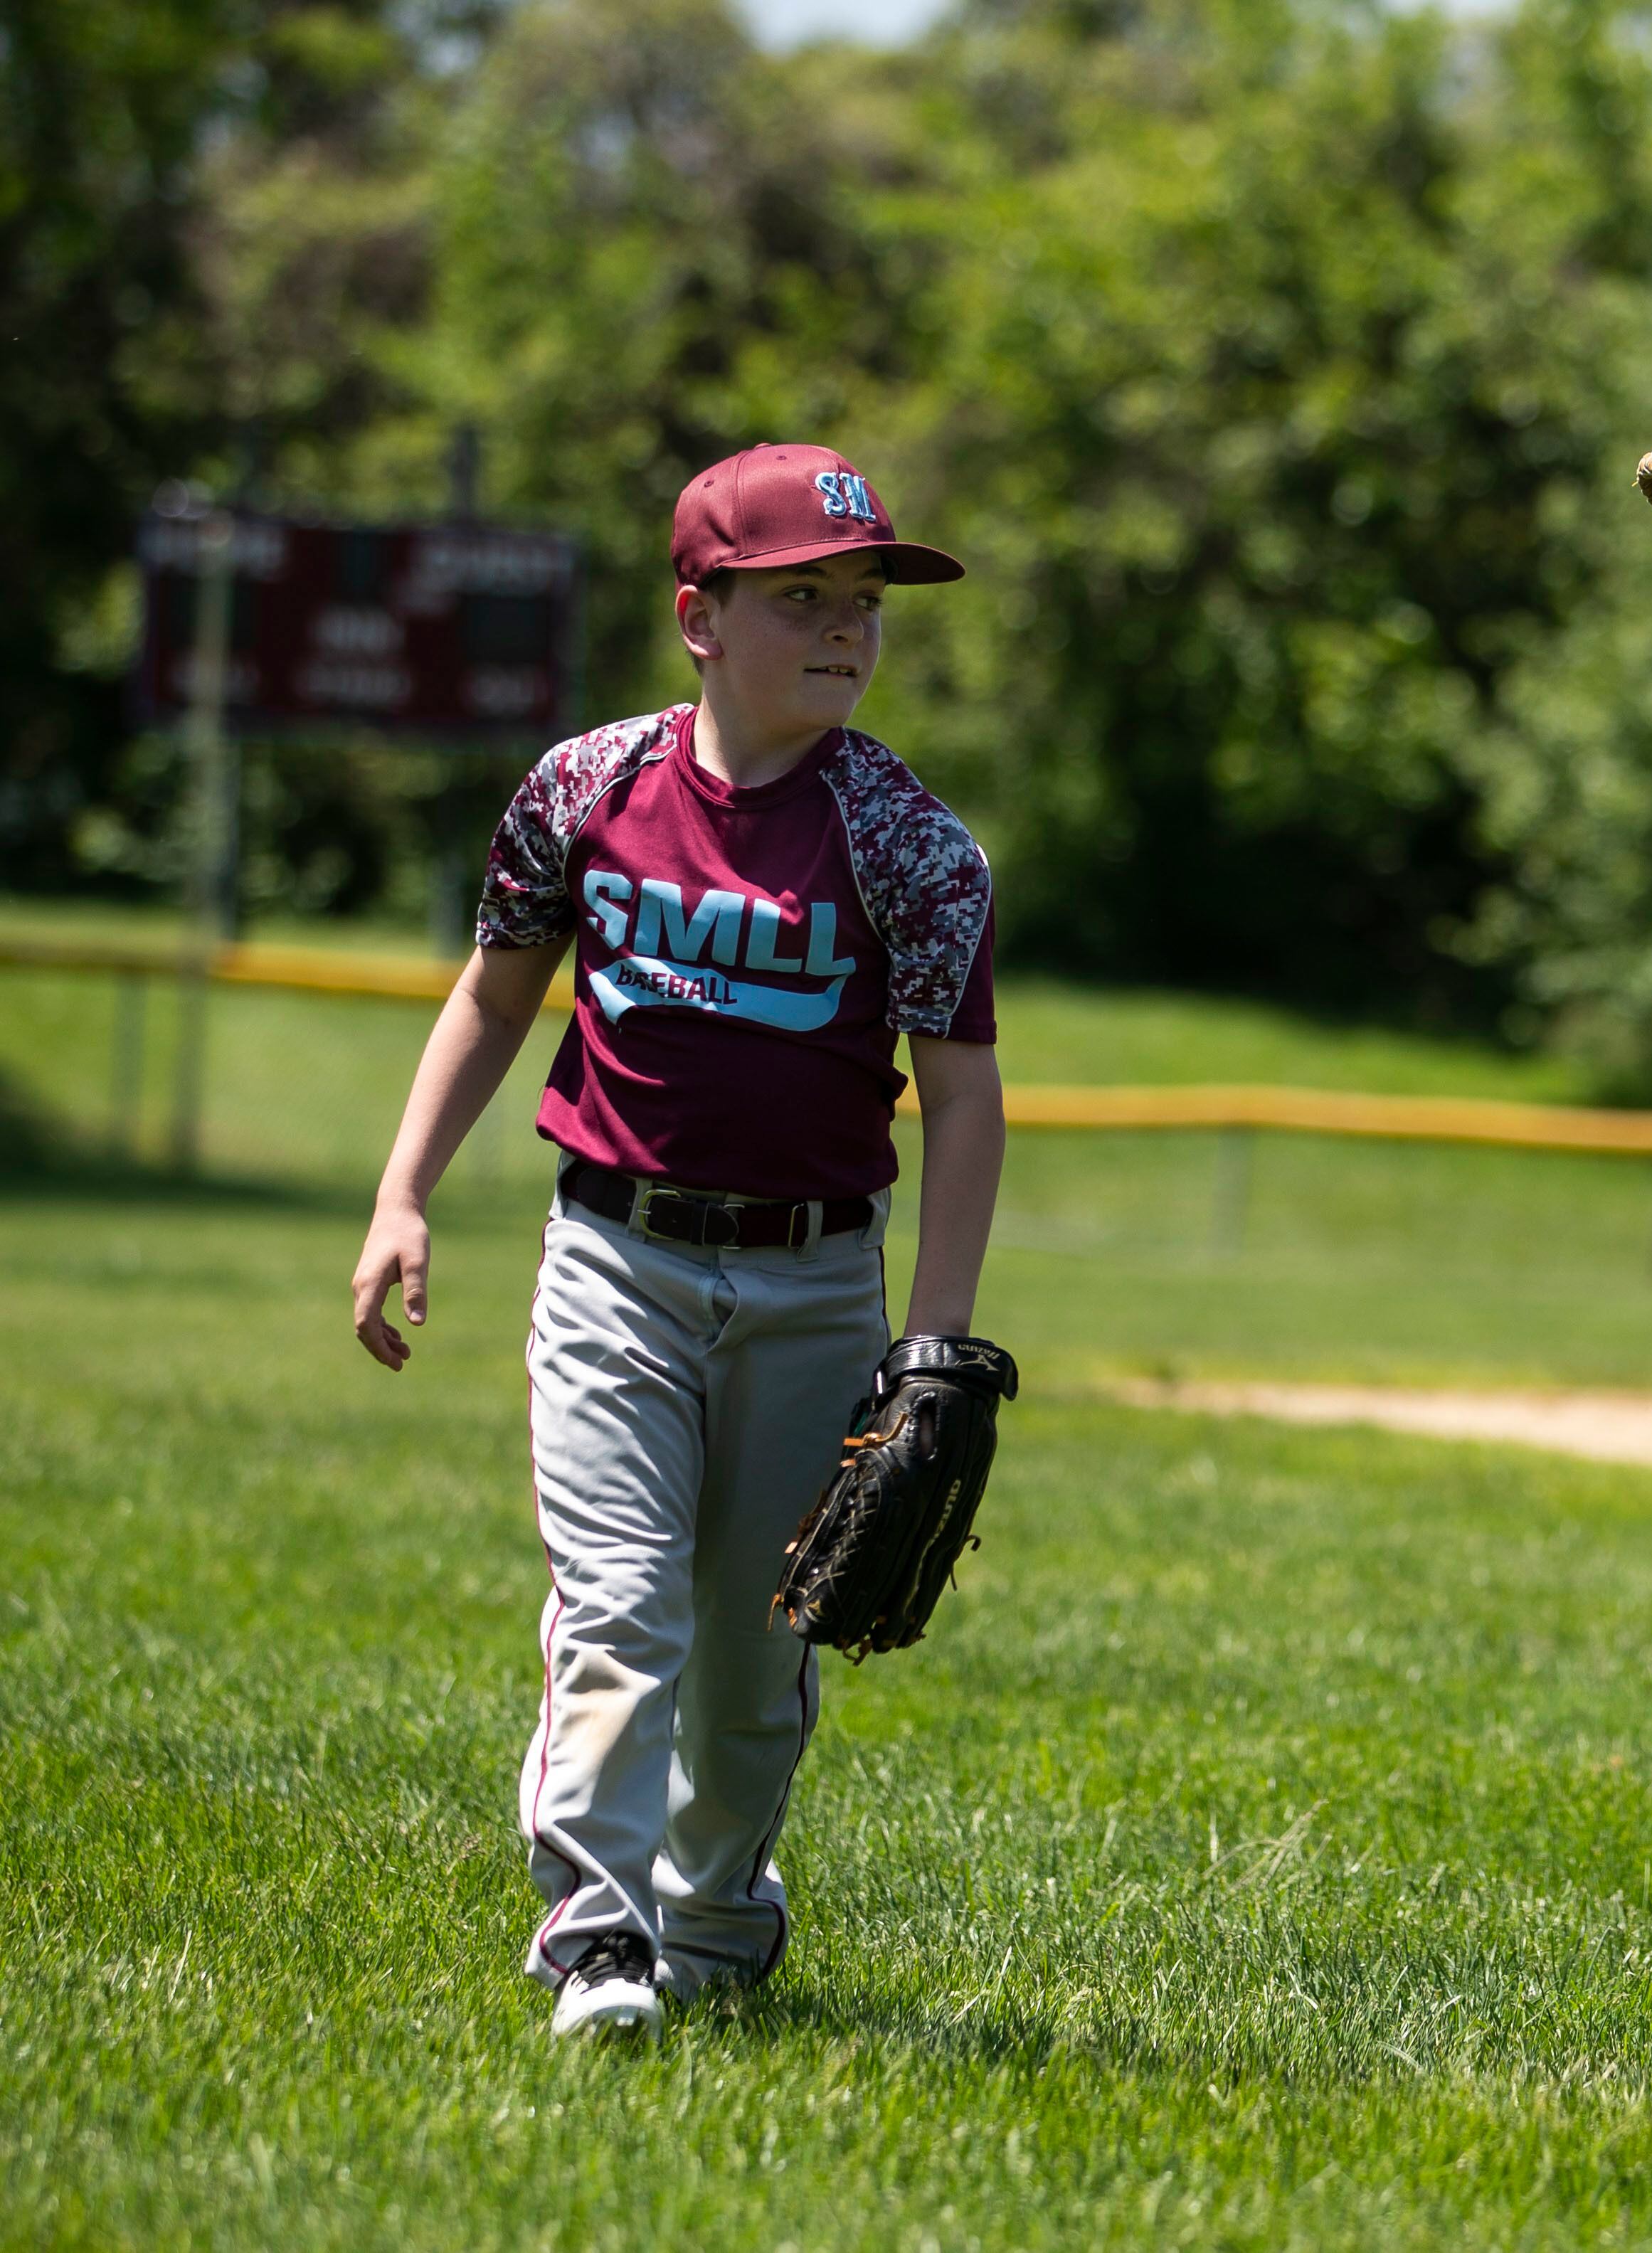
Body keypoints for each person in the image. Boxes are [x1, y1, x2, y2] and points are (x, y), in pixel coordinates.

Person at [348, 444, 1007, 2038]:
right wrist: (402, 1191)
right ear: (699, 616)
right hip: (614, 1264)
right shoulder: (586, 789)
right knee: (619, 1605)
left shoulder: (910, 844)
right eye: (802, 599)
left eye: (862, 603)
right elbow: (498, 988)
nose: (846, 630)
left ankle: (714, 1915)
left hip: (811, 1279)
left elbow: (965, 1101)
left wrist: (930, 1342)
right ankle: (596, 1934)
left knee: (751, 1658)